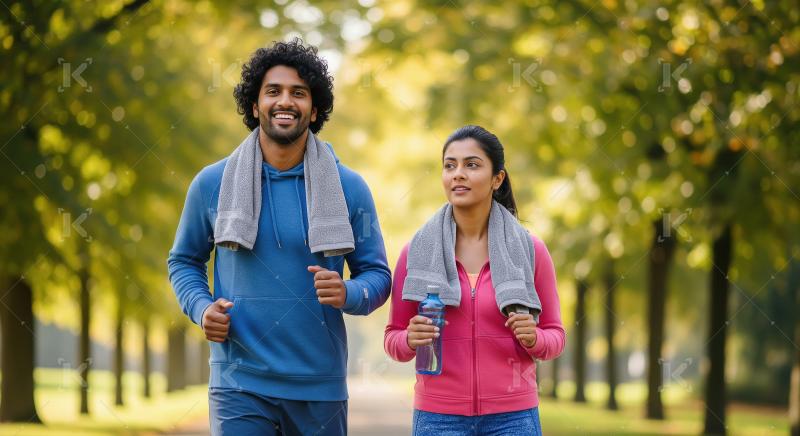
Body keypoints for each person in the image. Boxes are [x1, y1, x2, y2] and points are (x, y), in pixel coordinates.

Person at [168, 39, 391, 435]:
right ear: (255, 106)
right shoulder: (212, 183)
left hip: (319, 388)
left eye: (298, 93)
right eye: (273, 91)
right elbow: (184, 260)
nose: (285, 101)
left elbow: (378, 275)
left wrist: (348, 292)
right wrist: (201, 309)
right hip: (238, 383)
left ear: (315, 109)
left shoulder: (349, 188)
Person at [384, 125, 565, 435]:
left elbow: (556, 336)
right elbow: (393, 339)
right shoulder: (416, 252)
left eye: (471, 165)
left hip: (513, 417)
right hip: (438, 418)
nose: (458, 174)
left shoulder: (530, 250)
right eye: (450, 166)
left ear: (497, 178)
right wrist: (409, 339)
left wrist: (535, 338)